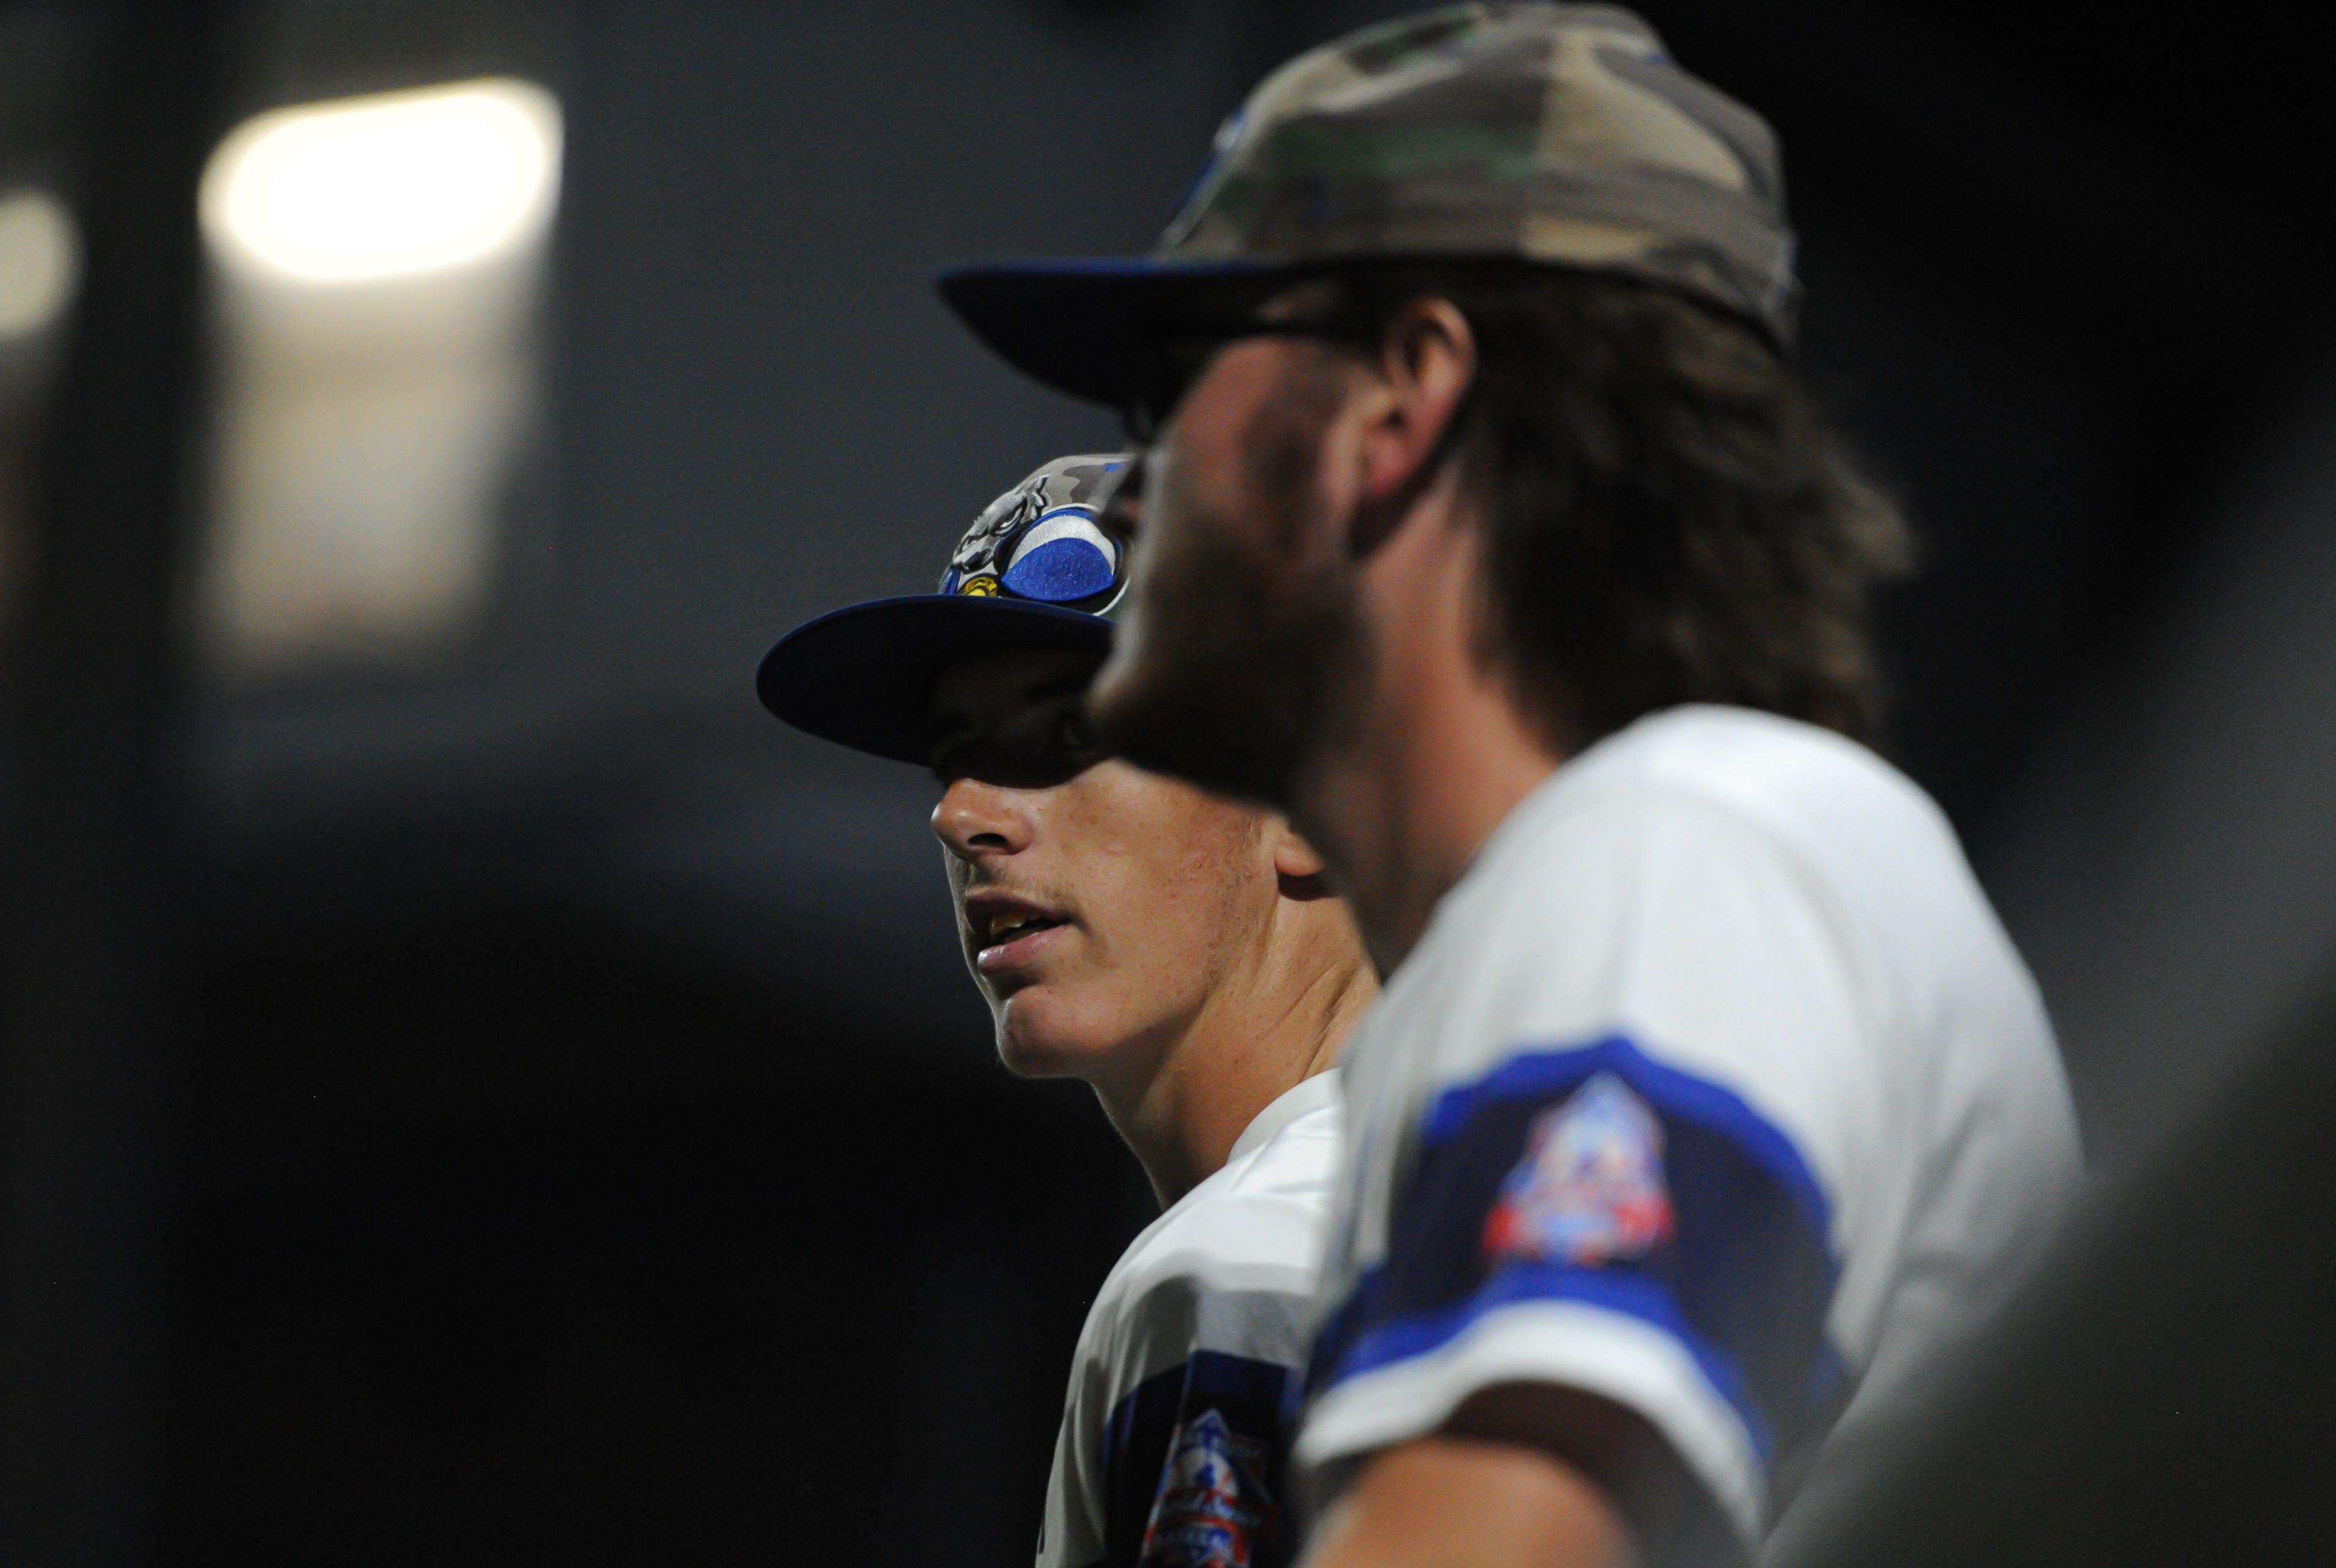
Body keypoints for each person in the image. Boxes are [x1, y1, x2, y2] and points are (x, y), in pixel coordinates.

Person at [937, 8, 2081, 1566]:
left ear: (1397, 409)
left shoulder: (1673, 854)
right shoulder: (1653, 890)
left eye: (1180, 387)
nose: (1144, 481)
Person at [756, 454, 1377, 1567]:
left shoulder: (1244, 1266)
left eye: (1074, 734)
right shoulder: (1517, 1183)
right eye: (955, 758)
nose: (960, 814)